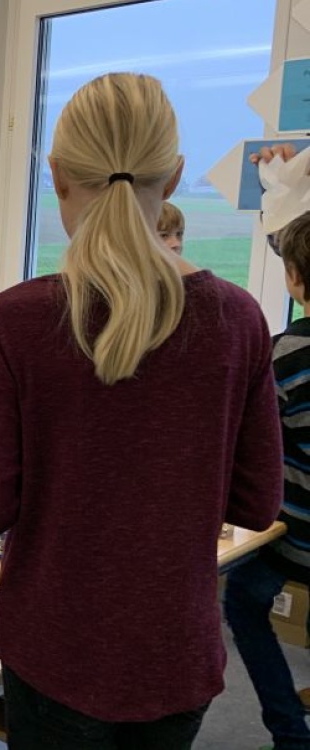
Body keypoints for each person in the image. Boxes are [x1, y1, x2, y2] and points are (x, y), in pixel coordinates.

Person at [0, 72, 283, 750]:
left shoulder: (13, 322)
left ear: (56, 176)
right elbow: (257, 506)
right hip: (175, 651)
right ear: (175, 176)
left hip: (52, 647)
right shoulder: (239, 320)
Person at [224, 209, 310, 750]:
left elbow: (249, 443)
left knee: (242, 601)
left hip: (298, 536)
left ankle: (288, 731)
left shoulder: (285, 355)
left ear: (294, 278)